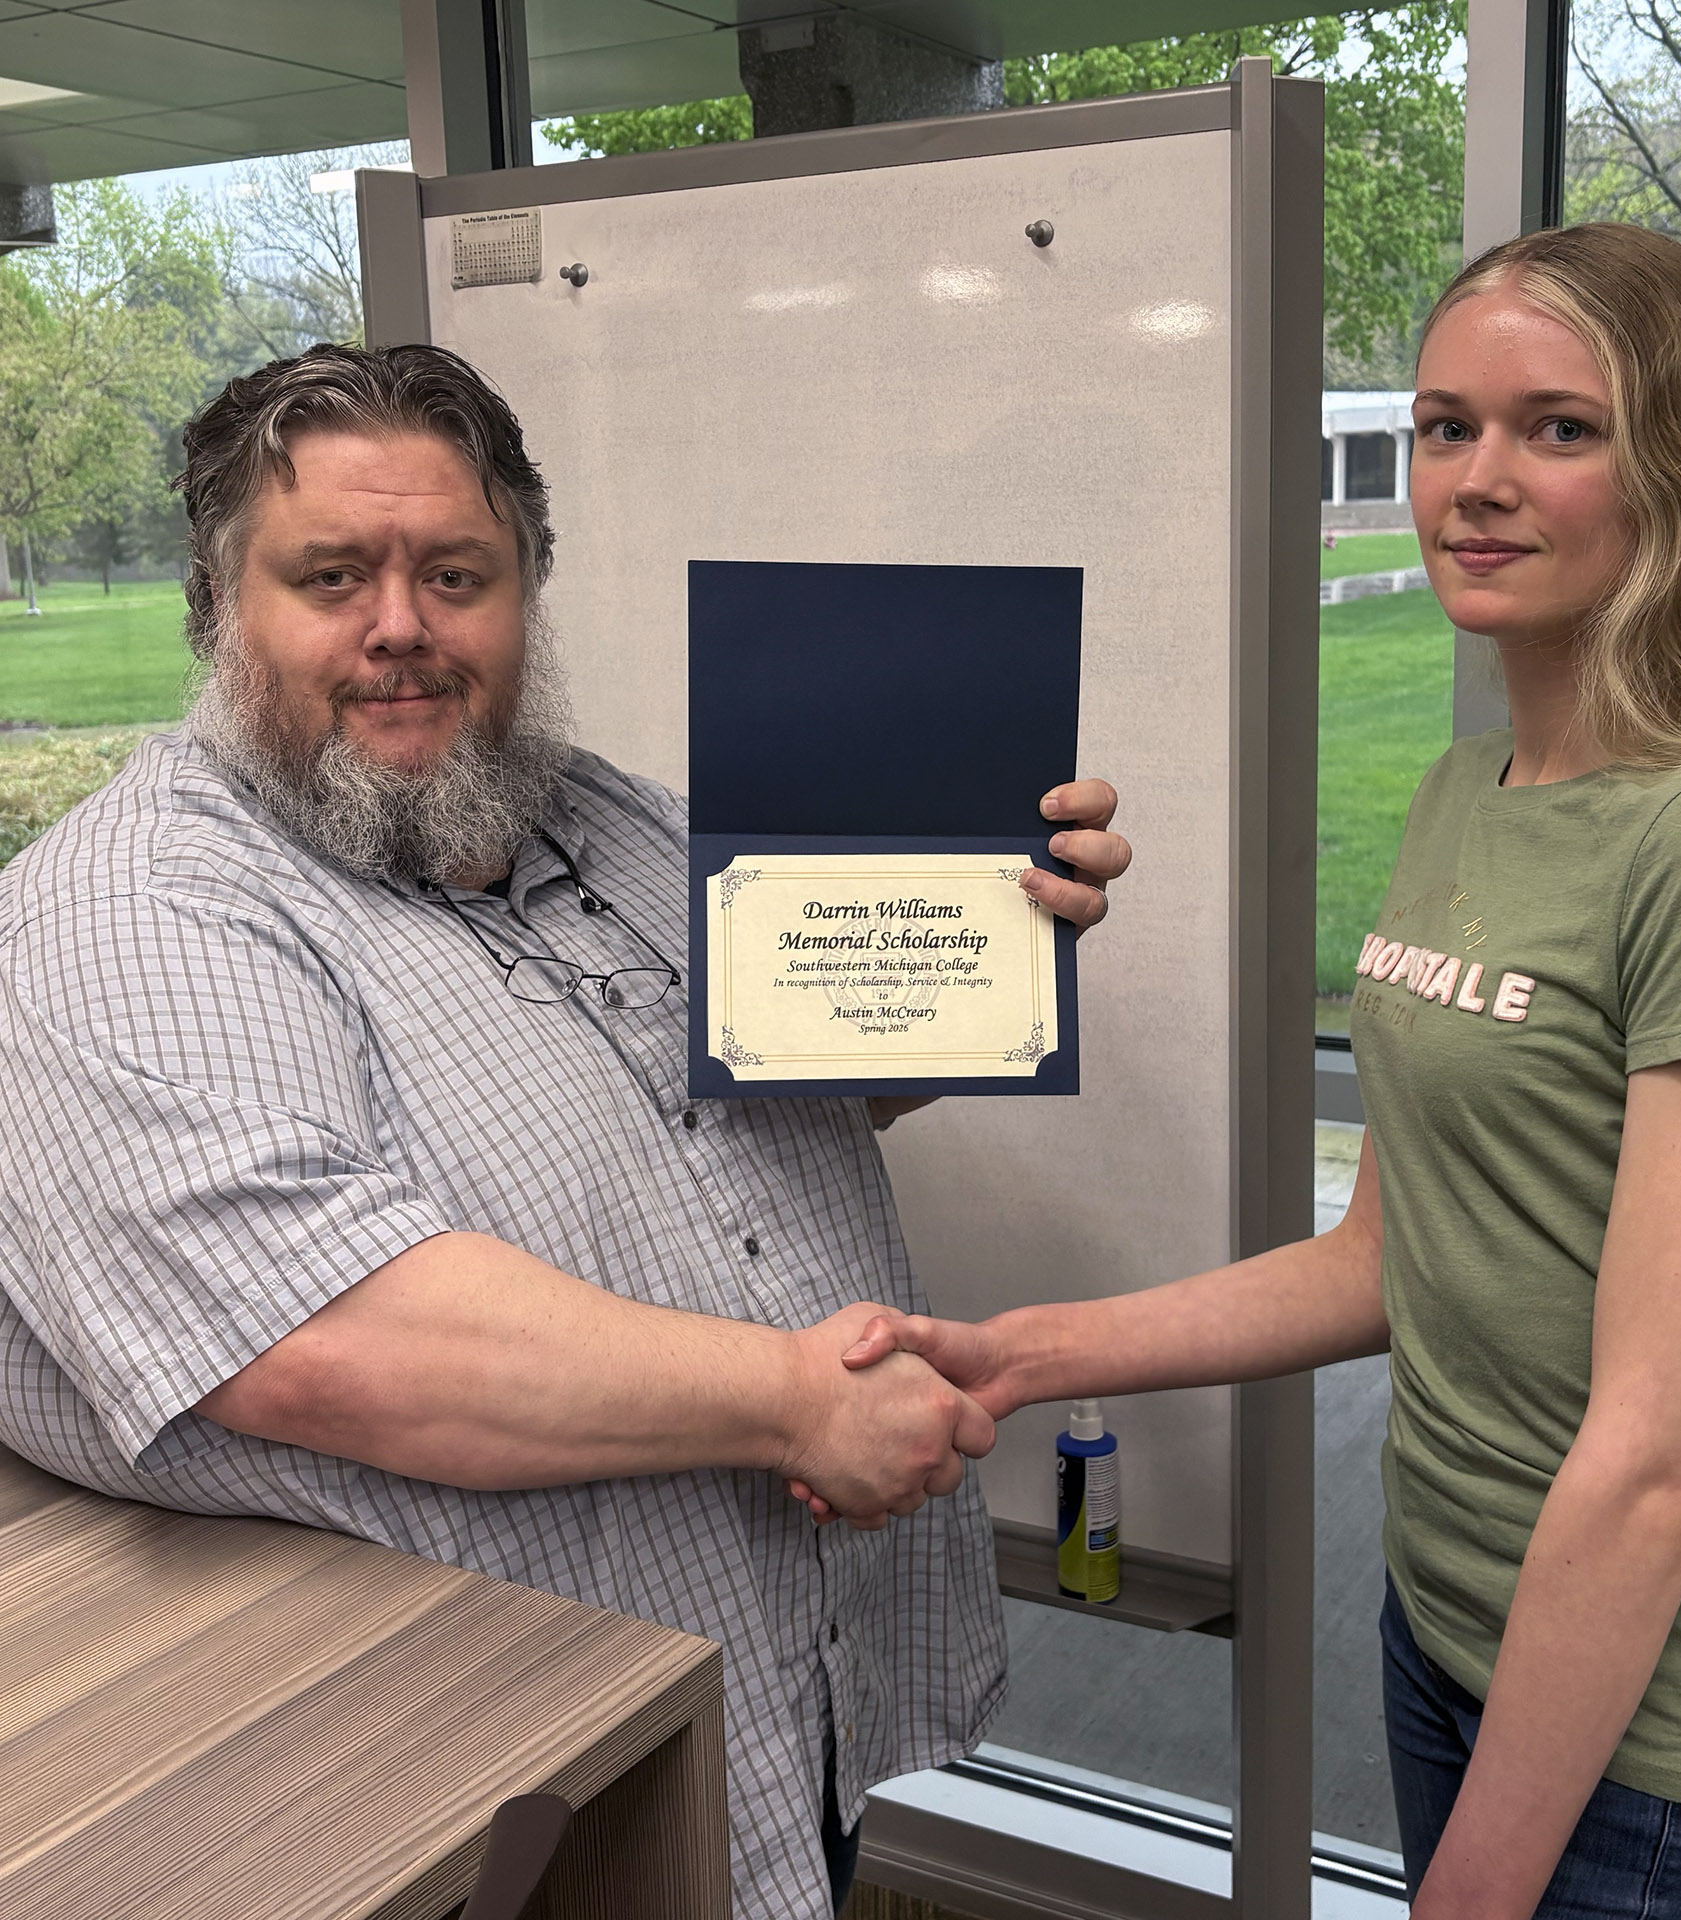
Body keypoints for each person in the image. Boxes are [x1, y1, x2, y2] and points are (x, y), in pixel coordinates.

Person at [819, 224, 1681, 1918]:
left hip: (1657, 1715)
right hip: (1450, 1623)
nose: (1476, 479)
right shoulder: (1470, 790)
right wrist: (1020, 1350)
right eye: (1444, 425)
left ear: (1679, 468)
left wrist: (1477, 1886)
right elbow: (1383, 1259)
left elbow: (1658, 1451)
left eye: (1559, 428)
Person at [0, 343, 1132, 1920]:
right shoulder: (135, 914)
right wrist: (796, 1399)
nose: (403, 626)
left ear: (524, 588)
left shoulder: (602, 816)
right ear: (217, 604)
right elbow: (321, 1336)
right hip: (490, 1801)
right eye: (332, 574)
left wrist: (984, 958)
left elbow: (795, 1093)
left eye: (457, 573)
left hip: (765, 1691)